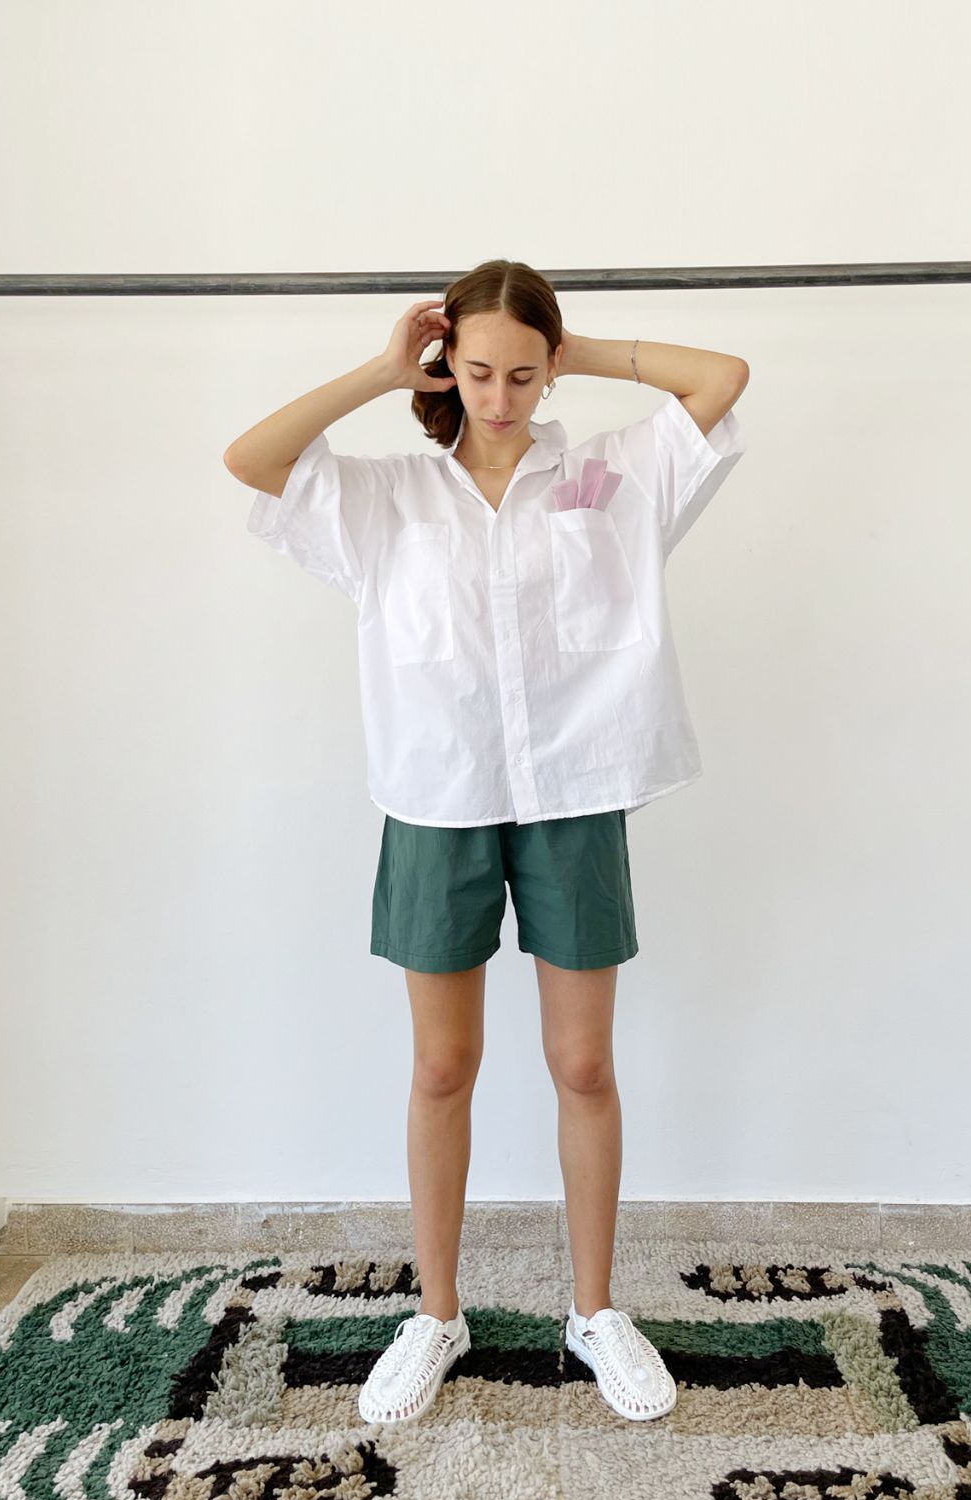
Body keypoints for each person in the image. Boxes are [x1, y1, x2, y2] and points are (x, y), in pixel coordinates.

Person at [223, 258, 748, 1427]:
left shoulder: (612, 475)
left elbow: (723, 377)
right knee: (440, 1068)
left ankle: (595, 1311)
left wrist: (573, 348)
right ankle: (436, 1314)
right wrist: (379, 372)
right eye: (476, 371)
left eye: (521, 373)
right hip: (435, 796)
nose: (500, 397)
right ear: (444, 366)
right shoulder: (387, 497)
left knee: (584, 1066)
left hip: (576, 791)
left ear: (546, 370)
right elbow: (250, 460)